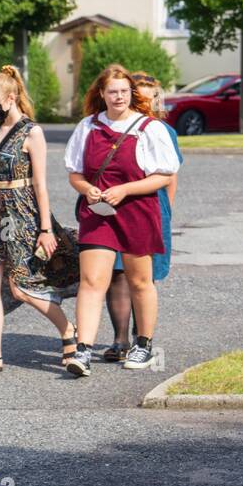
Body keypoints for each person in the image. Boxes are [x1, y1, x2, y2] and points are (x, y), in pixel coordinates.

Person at [64, 64, 180, 377]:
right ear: (101, 94)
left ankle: (143, 343)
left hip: (137, 210)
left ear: (131, 94)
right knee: (91, 282)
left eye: (124, 91)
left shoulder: (149, 128)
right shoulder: (87, 127)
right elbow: (74, 173)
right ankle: (83, 350)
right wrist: (87, 188)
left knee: (140, 280)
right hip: (98, 212)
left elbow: (164, 175)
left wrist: (126, 189)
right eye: (112, 91)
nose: (118, 97)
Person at [0, 66, 81, 374]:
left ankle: (68, 330)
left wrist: (44, 228)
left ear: (11, 98)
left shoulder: (32, 132)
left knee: (20, 286)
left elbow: (40, 183)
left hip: (21, 214)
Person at [102, 71, 182, 363]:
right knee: (116, 274)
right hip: (115, 209)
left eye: (151, 99)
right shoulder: (114, 126)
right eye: (142, 98)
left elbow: (170, 177)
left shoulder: (163, 131)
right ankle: (119, 339)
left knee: (142, 277)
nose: (146, 104)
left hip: (151, 209)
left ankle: (141, 337)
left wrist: (166, 214)